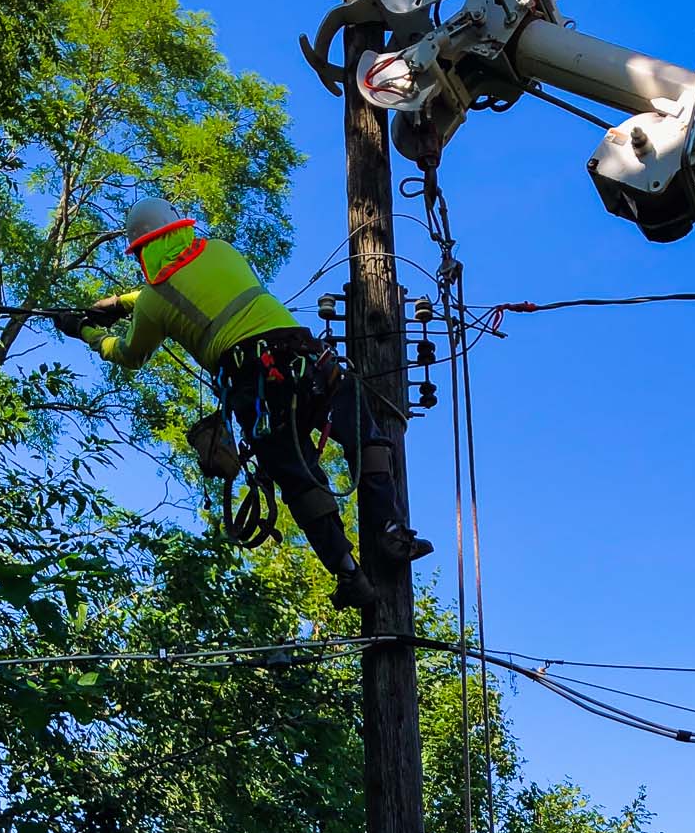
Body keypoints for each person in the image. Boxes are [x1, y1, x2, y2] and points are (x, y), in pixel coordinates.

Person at [55, 197, 432, 610]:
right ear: (178, 228)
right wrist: (119, 303)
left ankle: (348, 571)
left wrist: (87, 331)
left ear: (142, 250)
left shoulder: (153, 303)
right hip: (309, 361)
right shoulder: (219, 249)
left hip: (258, 389)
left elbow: (129, 353)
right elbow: (186, 280)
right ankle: (391, 529)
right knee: (366, 436)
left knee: (298, 478)